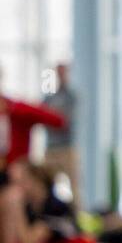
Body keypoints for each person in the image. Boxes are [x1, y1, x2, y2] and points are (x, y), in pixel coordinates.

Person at [41, 62, 80, 213]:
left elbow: (64, 121)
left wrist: (54, 117)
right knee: (46, 185)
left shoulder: (71, 96)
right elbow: (43, 117)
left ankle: (77, 217)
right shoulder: (48, 97)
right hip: (50, 148)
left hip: (67, 148)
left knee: (74, 187)